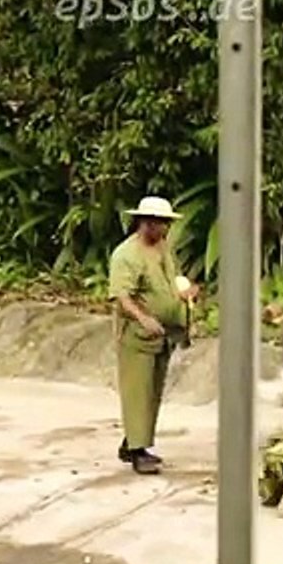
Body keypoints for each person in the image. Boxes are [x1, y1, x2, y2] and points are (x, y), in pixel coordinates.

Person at [107, 196, 199, 475]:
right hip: (138, 335)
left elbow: (170, 281)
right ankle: (137, 451)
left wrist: (185, 295)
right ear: (147, 223)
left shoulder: (163, 248)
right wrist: (143, 318)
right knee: (138, 389)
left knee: (153, 391)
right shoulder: (126, 255)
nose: (166, 229)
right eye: (162, 224)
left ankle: (135, 442)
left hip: (163, 334)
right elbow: (121, 295)